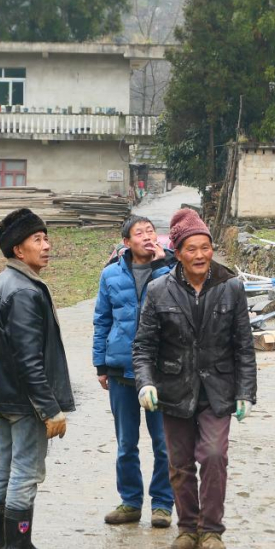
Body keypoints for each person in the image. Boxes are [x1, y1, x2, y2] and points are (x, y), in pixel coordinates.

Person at [133, 208, 257, 549]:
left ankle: (212, 530)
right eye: (192, 249)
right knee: (180, 462)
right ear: (177, 252)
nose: (200, 255)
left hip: (217, 389)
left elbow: (243, 345)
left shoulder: (230, 287)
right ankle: (188, 527)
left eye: (205, 247)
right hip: (174, 389)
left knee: (215, 456)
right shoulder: (159, 290)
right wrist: (145, 383)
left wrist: (246, 391)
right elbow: (143, 346)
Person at [0, 208, 74, 549]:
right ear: (18, 249)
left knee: (0, 465)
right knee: (26, 471)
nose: (47, 246)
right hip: (24, 400)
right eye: (38, 239)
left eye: (46, 238)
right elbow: (29, 360)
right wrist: (50, 408)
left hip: (1, 396)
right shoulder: (24, 292)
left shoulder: (2, 284)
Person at [93, 215, 176, 528]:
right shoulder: (110, 275)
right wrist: (100, 363)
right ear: (126, 242)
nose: (146, 236)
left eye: (151, 231)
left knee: (164, 443)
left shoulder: (172, 270)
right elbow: (102, 319)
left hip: (161, 371)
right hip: (121, 371)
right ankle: (130, 502)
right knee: (126, 443)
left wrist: (160, 266)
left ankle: (163, 504)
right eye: (139, 233)